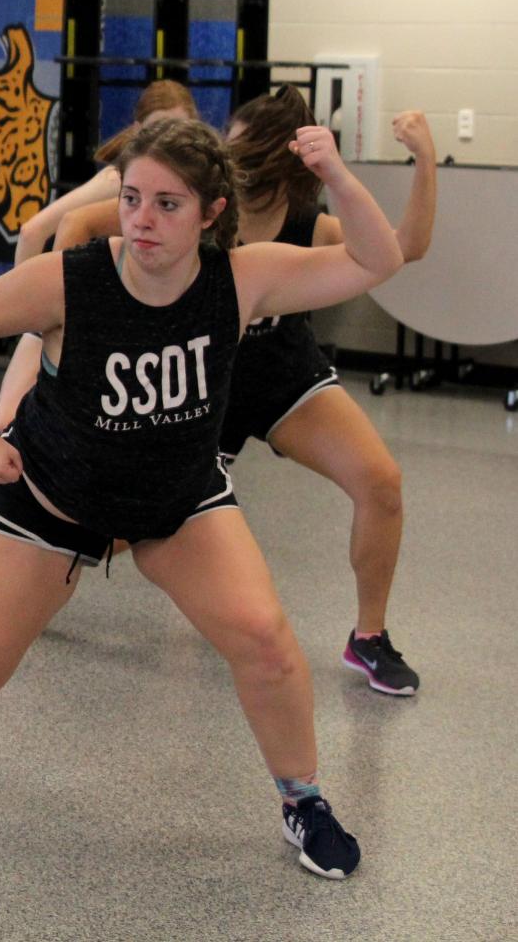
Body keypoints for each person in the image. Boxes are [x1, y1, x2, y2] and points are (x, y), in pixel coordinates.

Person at [0, 116, 408, 881]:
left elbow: (377, 257)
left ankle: (304, 800)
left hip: (178, 500)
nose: (143, 219)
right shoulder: (75, 279)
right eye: (133, 198)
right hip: (51, 500)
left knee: (265, 641)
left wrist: (334, 175)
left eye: (168, 204)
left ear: (211, 213)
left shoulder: (242, 278)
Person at [50, 89, 437, 696]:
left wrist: (423, 161)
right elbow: (80, 225)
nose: (231, 148)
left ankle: (369, 638)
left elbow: (401, 249)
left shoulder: (308, 223)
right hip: (203, 379)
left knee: (380, 480)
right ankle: (30, 577)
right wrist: (78, 327)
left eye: (240, 139)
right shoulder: (193, 210)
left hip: (282, 374)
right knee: (118, 527)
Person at [0, 80, 199, 531]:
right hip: (71, 315)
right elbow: (32, 231)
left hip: (141, 324)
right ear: (138, 130)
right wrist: (29, 307)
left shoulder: (197, 187)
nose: (169, 150)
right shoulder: (116, 179)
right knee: (4, 418)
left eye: (181, 133)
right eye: (160, 133)